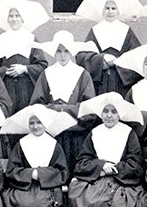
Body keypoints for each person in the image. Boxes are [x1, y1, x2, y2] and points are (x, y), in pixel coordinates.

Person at [68, 93, 145, 207]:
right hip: (97, 179)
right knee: (81, 200)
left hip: (120, 182)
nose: (109, 115)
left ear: (119, 114)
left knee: (118, 206)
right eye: (105, 111)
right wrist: (101, 166)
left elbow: (135, 163)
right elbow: (82, 162)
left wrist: (115, 169)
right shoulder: (94, 133)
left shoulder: (128, 134)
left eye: (113, 112)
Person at [0, 104, 76, 207]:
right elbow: (12, 171)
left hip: (47, 187)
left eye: (39, 123)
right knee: (22, 205)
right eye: (32, 123)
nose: (35, 126)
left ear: (45, 124)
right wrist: (29, 174)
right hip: (24, 186)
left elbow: (62, 171)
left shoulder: (54, 144)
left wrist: (40, 174)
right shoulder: (21, 144)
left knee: (44, 206)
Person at [29, 31, 97, 171]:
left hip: (76, 133)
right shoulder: (46, 74)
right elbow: (36, 106)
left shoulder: (82, 74)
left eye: (66, 51)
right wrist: (52, 113)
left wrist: (62, 109)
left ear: (71, 52)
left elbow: (89, 108)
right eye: (59, 51)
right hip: (53, 133)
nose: (63, 55)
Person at [0, 0, 51, 116]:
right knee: (7, 116)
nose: (14, 19)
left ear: (23, 18)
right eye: (11, 16)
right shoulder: (1, 39)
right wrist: (5, 71)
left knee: (26, 117)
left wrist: (25, 69)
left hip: (27, 88)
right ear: (7, 19)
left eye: (17, 16)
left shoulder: (31, 38)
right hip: (6, 87)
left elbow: (42, 65)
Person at [74, 0, 143, 96]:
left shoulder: (126, 30)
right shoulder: (95, 30)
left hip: (121, 82)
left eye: (113, 8)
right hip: (101, 81)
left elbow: (138, 57)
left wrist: (119, 63)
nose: (110, 11)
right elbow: (82, 57)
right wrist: (101, 59)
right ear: (102, 10)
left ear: (118, 11)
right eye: (107, 8)